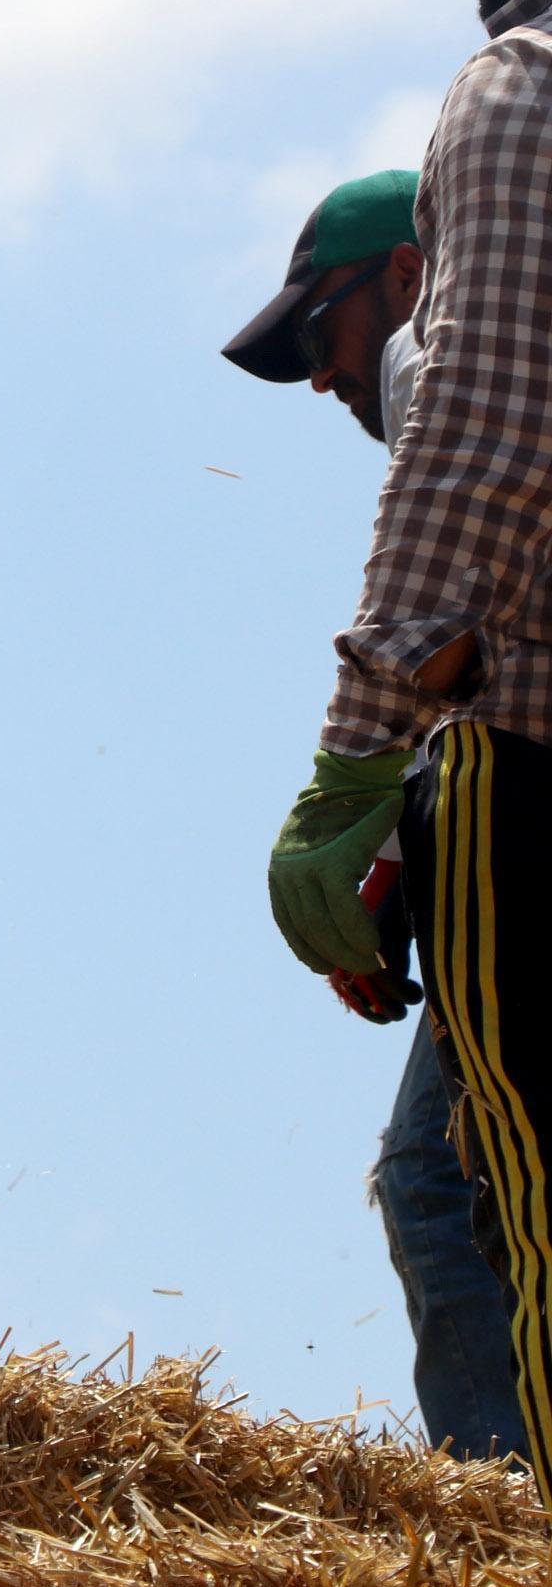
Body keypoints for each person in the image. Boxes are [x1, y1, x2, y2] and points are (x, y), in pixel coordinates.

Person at [272, 0, 552, 1465]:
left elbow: (479, 470)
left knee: (462, 1186)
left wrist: (352, 771)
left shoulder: (516, 97)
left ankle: (517, 1564)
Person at [226, 170, 524, 1459]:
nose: (319, 376)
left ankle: (517, 1542)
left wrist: (344, 799)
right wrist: (408, 849)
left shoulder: (431, 354)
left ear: (406, 275)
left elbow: (447, 609)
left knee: (442, 1182)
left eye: (318, 331)